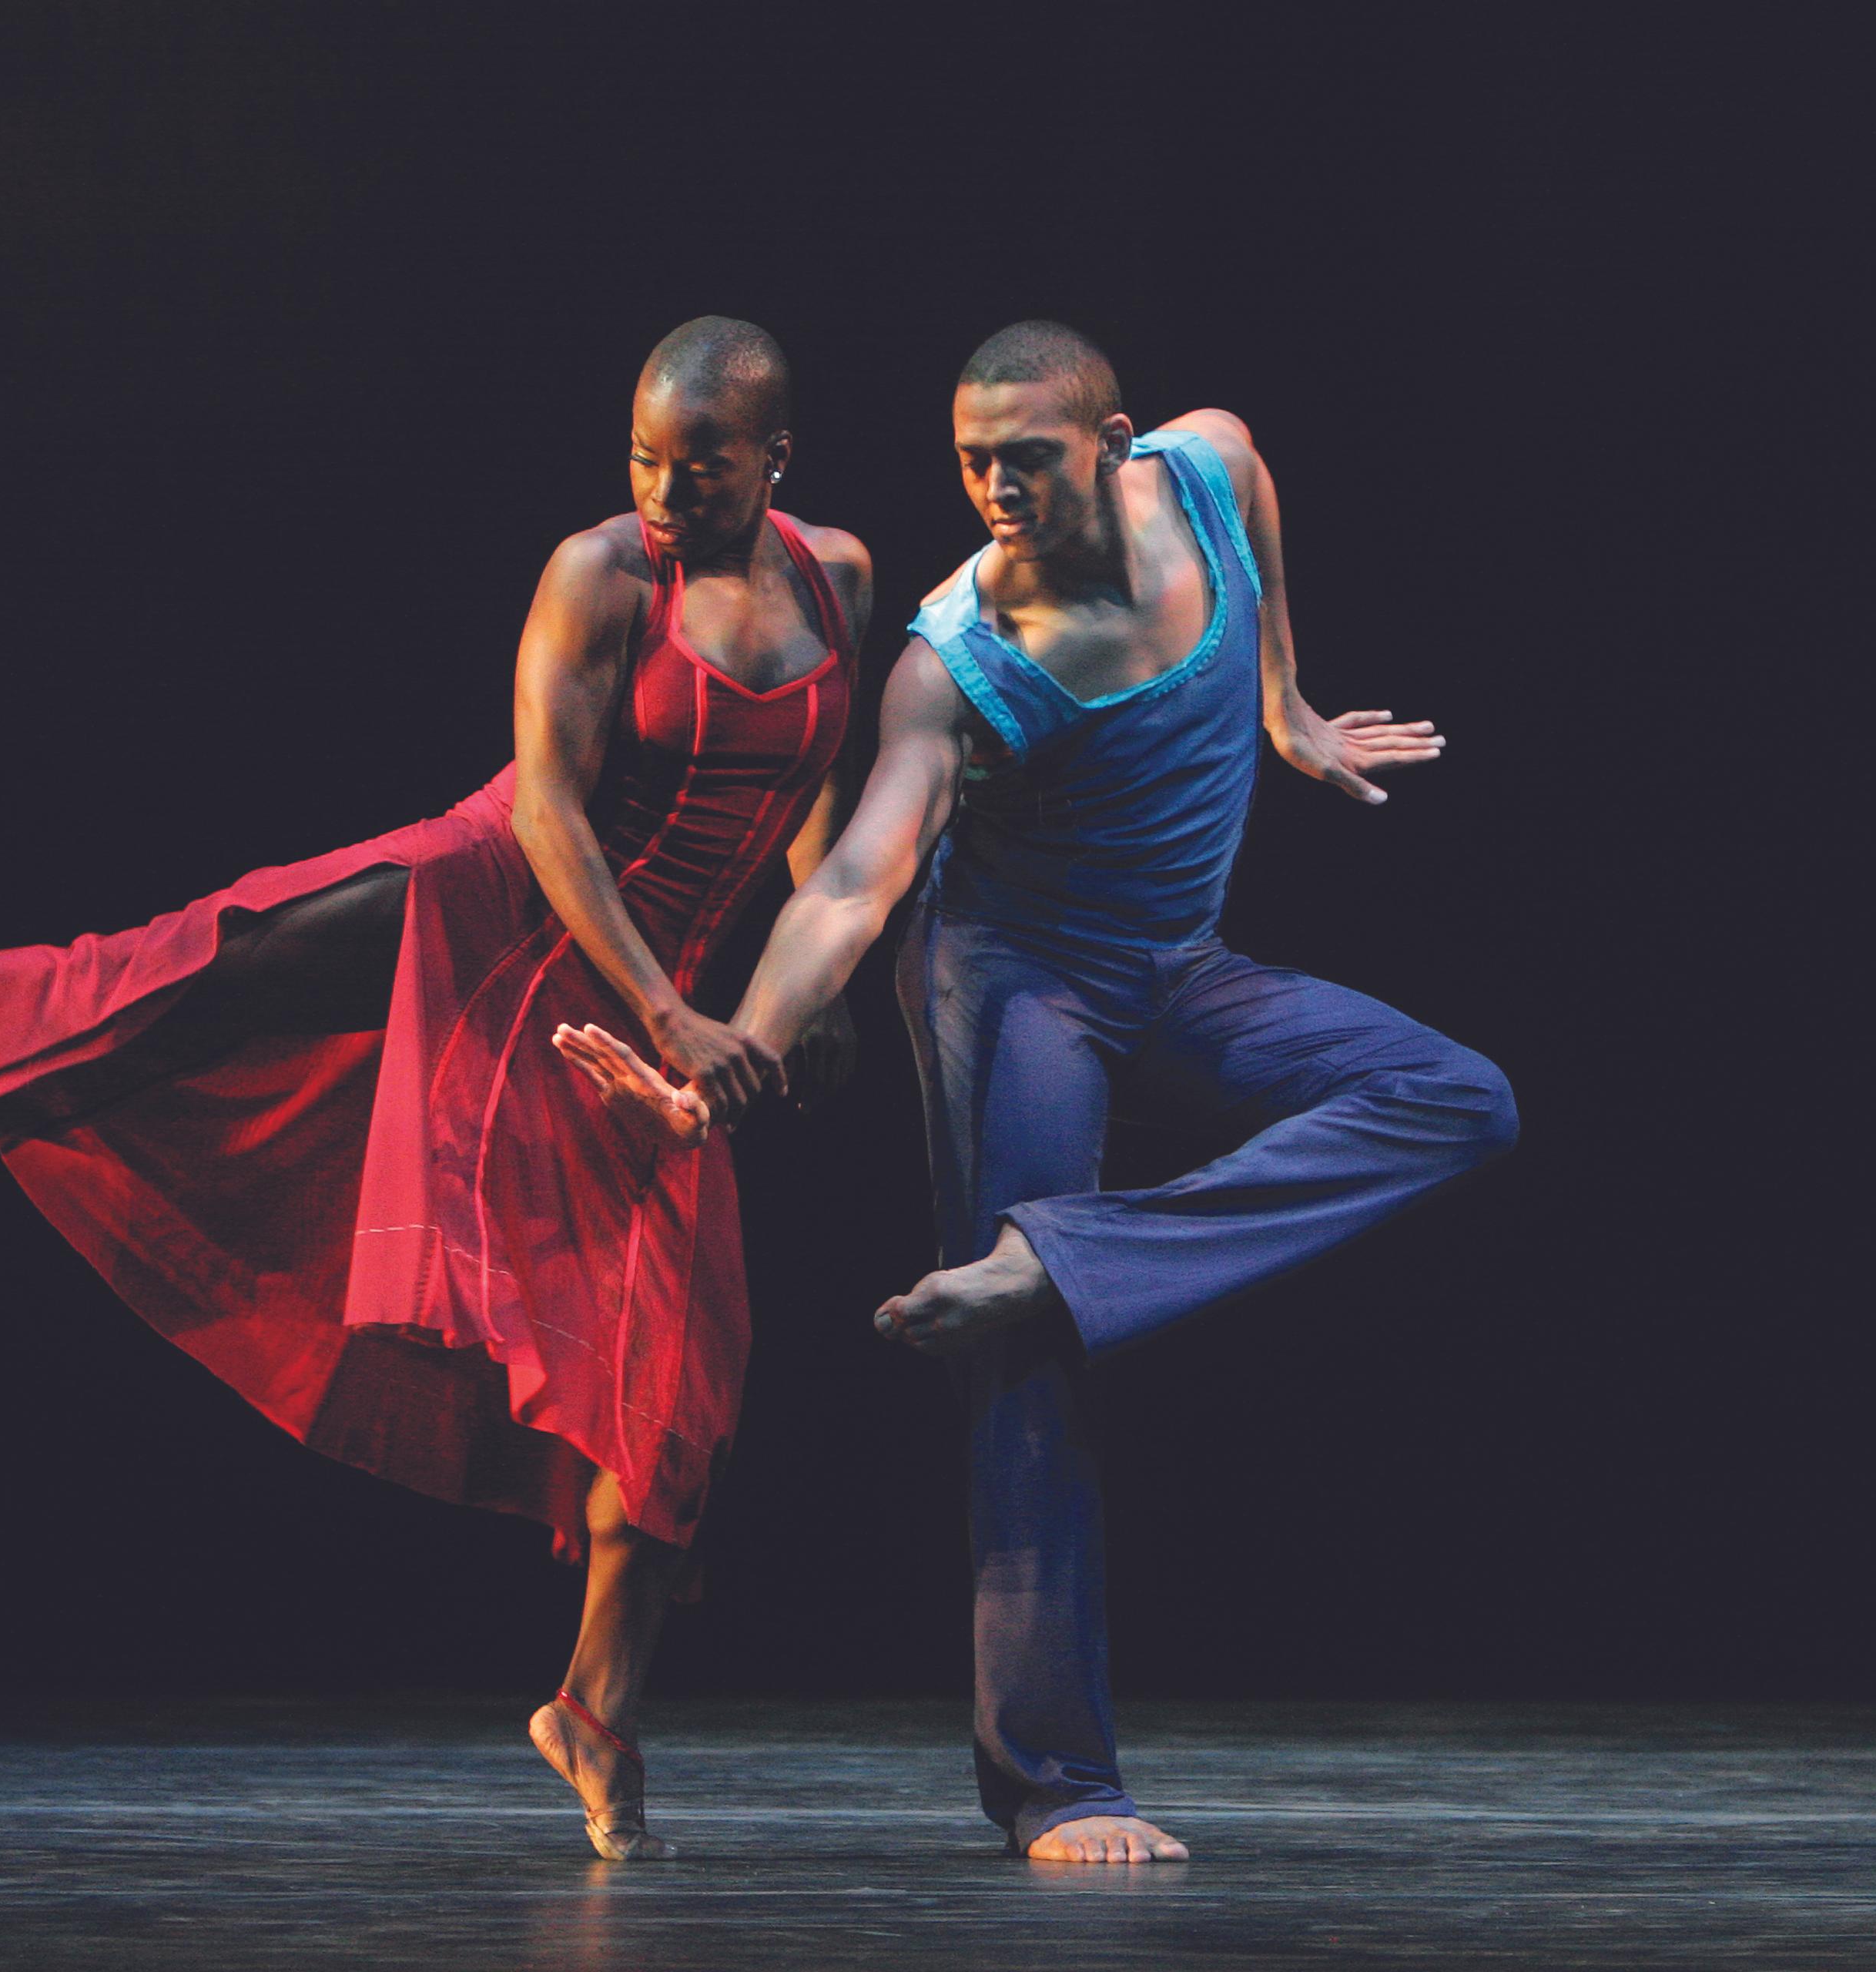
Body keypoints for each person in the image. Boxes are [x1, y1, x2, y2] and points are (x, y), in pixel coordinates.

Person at [0, 317, 871, 1862]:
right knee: (156, 980)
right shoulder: (600, 575)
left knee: (679, 1378)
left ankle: (594, 1708)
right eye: (643, 460)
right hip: (498, 912)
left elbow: (818, 782)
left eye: (700, 467)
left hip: (650, 1018)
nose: (662, 493)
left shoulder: (838, 581)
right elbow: (545, 806)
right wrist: (674, 1007)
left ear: (775, 459)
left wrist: (810, 997)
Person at [554, 320, 1516, 1864]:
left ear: (1115, 447)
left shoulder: (1205, 471)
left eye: (1026, 459)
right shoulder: (961, 657)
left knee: (1456, 1096)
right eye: (970, 463)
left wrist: (1284, 700)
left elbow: (1259, 506)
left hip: (1179, 968)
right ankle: (1058, 1785)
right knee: (1021, 1366)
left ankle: (1060, 1258)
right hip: (1013, 989)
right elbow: (853, 884)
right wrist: (718, 1063)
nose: (995, 488)